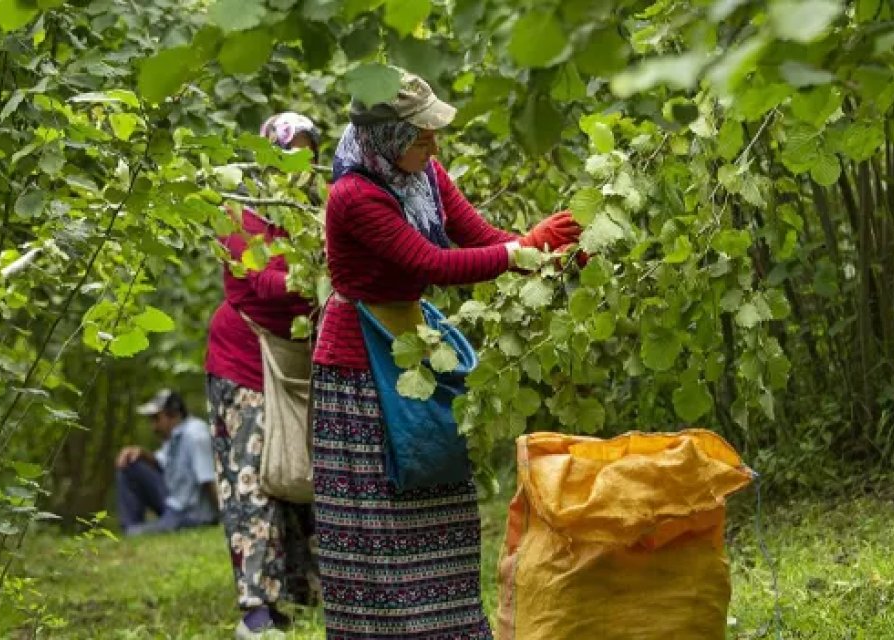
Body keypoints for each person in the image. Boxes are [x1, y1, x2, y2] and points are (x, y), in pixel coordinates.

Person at [311, 71, 582, 639]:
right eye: (421, 133)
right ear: (387, 136)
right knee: (381, 508)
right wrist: (525, 250)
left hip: (414, 343)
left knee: (438, 482)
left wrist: (548, 255)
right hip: (359, 362)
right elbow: (431, 263)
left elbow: (480, 237)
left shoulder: (425, 176)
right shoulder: (354, 196)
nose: (434, 143)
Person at [205, 112, 322, 638]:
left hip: (296, 363)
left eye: (306, 154)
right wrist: (319, 273)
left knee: (297, 471)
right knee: (251, 480)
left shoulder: (312, 214)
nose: (297, 164)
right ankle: (256, 611)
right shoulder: (241, 214)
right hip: (243, 362)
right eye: (286, 153)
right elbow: (265, 283)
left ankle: (302, 592)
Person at [114, 389, 219, 535]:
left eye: (156, 419)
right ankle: (130, 527)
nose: (154, 427)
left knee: (136, 533)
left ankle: (133, 532)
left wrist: (224, 517)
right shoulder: (175, 436)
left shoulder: (195, 436)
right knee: (130, 466)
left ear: (173, 414)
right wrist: (141, 453)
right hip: (174, 502)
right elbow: (161, 463)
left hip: (191, 514)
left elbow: (208, 480)